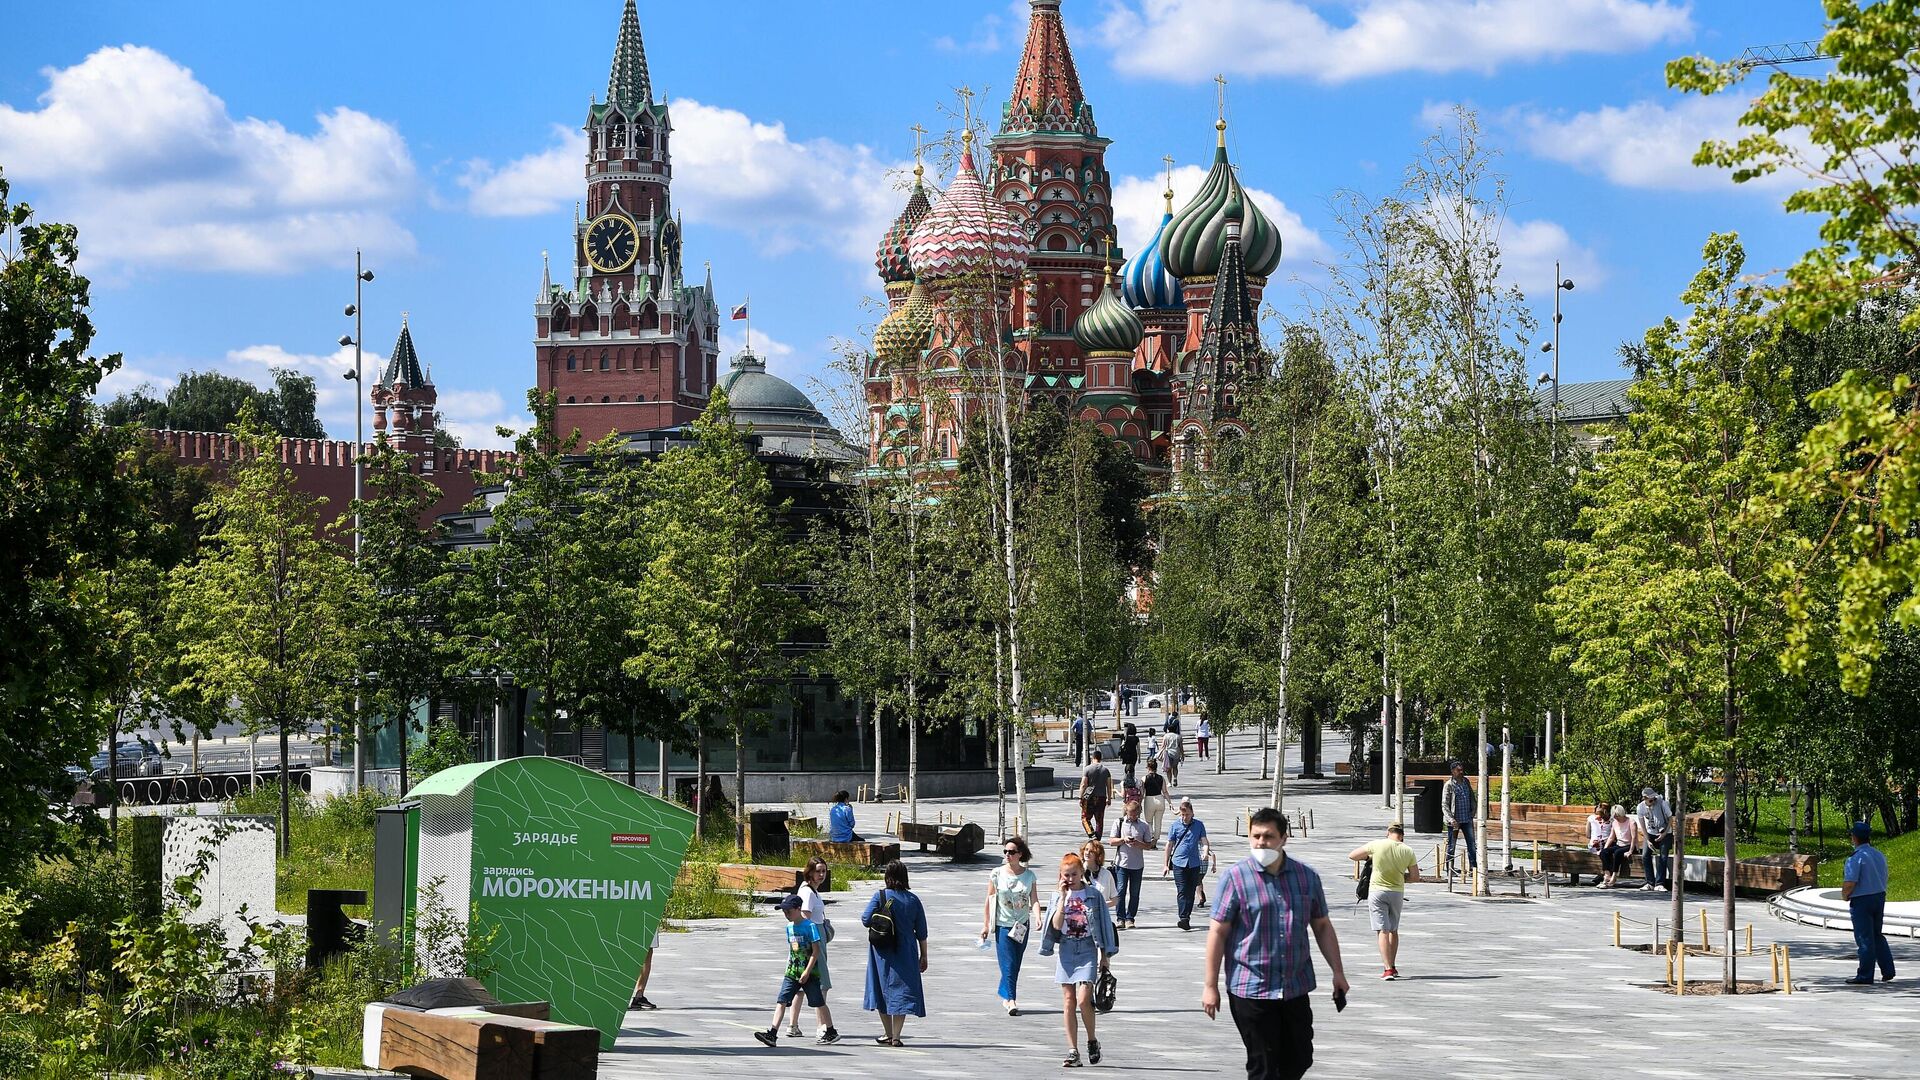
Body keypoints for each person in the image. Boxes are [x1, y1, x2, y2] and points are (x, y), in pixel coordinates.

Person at [1203, 808, 1348, 1080]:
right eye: (1255, 836)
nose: (1261, 842)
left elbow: (1322, 926)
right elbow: (1217, 933)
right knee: (1264, 1067)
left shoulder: (1306, 877)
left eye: (1268, 836)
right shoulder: (1235, 878)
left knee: (1300, 1058)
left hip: (1295, 986)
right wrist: (1210, 986)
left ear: (1283, 838)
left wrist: (1338, 972)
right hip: (1251, 988)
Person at [1039, 853, 1119, 1068]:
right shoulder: (1057, 897)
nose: (1070, 878)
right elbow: (1056, 925)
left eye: (1074, 874)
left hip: (1087, 949)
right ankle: (1073, 1050)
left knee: (1084, 999)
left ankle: (1092, 1040)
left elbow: (1103, 925)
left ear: (1081, 872)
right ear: (1061, 876)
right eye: (1066, 875)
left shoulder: (1093, 895)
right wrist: (1063, 900)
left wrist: (1106, 957)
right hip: (1066, 948)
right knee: (1068, 1001)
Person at [753, 894, 839, 1047]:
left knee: (818, 1002)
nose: (786, 914)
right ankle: (772, 1033)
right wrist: (791, 967)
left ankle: (831, 1031)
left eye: (788, 911)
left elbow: (815, 951)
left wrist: (807, 971)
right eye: (784, 912)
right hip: (792, 972)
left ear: (799, 909)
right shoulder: (789, 927)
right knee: (782, 1000)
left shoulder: (810, 926)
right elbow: (794, 949)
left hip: (809, 973)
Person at [862, 859, 929, 1046]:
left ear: (887, 877)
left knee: (881, 988)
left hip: (882, 951)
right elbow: (922, 932)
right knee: (902, 990)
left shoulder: (880, 896)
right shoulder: (913, 900)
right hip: (906, 951)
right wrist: (924, 956)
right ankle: (897, 1036)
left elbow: (865, 919)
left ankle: (887, 1032)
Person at [1347, 823, 1421, 980]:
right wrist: (1401, 877)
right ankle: (1393, 966)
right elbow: (1415, 877)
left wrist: (1369, 857)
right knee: (1393, 930)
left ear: (1388, 833)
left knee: (1382, 930)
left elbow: (1352, 855)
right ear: (1402, 835)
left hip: (1377, 891)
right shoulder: (1407, 850)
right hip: (1397, 893)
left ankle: (1387, 969)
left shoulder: (1377, 844)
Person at [980, 835, 1038, 1015]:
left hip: (1021, 926)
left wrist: (1038, 917)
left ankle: (1005, 994)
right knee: (1008, 963)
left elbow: (1034, 900)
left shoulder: (1029, 875)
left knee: (1015, 964)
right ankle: (1011, 1000)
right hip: (1003, 925)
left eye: (1011, 852)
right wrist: (985, 925)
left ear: (1020, 854)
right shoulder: (997, 873)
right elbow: (989, 900)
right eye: (1005, 851)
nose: (1007, 855)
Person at [1842, 821, 1897, 985]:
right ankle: (1888, 970)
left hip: (1862, 901)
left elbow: (1850, 882)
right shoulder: (1878, 854)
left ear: (1854, 837)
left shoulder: (1855, 858)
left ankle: (1865, 975)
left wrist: (1845, 895)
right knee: (1877, 935)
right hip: (1879, 897)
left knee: (1864, 938)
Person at [787, 857, 835, 1039]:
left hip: (812, 939)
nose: (821, 875)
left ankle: (793, 1025)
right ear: (810, 872)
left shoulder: (810, 890)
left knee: (802, 983)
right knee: (820, 983)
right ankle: (821, 1026)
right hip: (813, 941)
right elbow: (805, 918)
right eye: (818, 871)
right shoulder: (807, 892)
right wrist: (812, 945)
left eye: (824, 871)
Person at [1162, 796, 1213, 931]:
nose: (1185, 817)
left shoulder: (1199, 825)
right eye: (1183, 815)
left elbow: (1204, 841)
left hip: (1194, 863)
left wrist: (1205, 852)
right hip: (1179, 862)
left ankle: (1187, 916)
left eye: (1187, 815)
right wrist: (1166, 864)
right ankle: (1183, 917)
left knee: (1191, 891)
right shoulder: (1175, 826)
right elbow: (1169, 845)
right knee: (1182, 890)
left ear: (1192, 814)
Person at [1109, 799, 1153, 929]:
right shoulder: (1119, 822)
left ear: (1139, 813)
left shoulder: (1144, 825)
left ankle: (1130, 918)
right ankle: (1120, 918)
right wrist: (1123, 840)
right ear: (1126, 811)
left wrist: (1139, 844)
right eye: (1130, 814)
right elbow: (1111, 841)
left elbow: (1149, 845)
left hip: (1137, 864)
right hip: (1122, 863)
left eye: (1135, 814)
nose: (1133, 816)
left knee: (1134, 893)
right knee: (1121, 891)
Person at [1441, 761, 1477, 876]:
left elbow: (1471, 797)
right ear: (1453, 771)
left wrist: (1473, 810)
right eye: (1458, 770)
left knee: (1471, 844)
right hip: (1455, 821)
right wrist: (1451, 819)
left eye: (1462, 770)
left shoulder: (1466, 781)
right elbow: (1445, 805)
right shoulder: (1449, 785)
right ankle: (1450, 868)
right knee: (1452, 845)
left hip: (1467, 819)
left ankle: (1473, 868)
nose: (1461, 772)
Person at [1634, 787, 1673, 891]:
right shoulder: (1640, 808)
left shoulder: (1662, 803)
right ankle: (1649, 882)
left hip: (1665, 832)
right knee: (1645, 855)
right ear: (1644, 799)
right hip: (1651, 832)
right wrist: (1647, 840)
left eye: (1654, 798)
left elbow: (1670, 819)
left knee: (1663, 857)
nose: (1653, 801)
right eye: (1651, 800)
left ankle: (1660, 883)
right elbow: (1642, 825)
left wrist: (1664, 834)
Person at [1599, 805, 1639, 889]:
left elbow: (1634, 838)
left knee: (1617, 853)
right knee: (1604, 852)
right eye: (1614, 816)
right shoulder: (1614, 822)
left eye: (1617, 815)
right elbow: (1611, 837)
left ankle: (1614, 875)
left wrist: (1630, 851)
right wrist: (1605, 848)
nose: (1616, 817)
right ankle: (1607, 874)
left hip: (1629, 845)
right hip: (1619, 844)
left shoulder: (1631, 822)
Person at [1079, 750, 1113, 840]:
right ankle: (1098, 838)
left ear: (1092, 758)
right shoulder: (1106, 770)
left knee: (1085, 818)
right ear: (1100, 758)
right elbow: (1109, 786)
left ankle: (1091, 835)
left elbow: (1083, 784)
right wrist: (1109, 798)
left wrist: (1081, 797)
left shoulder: (1087, 769)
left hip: (1088, 797)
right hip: (1102, 797)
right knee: (1099, 820)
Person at [1081, 839, 1118, 914]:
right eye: (1086, 849)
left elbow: (1115, 900)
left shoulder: (1107, 874)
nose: (1087, 853)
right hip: (1082, 916)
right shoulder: (1077, 872)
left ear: (1098, 855)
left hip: (1101, 915)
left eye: (1091, 851)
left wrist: (1101, 905)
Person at [1142, 758, 1169, 841]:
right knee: (1158, 822)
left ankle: (1150, 839)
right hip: (1160, 799)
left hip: (1149, 799)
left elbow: (1142, 792)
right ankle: (1156, 839)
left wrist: (1139, 803)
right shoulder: (1161, 778)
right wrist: (1170, 802)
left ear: (1148, 768)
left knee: (1149, 822)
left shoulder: (1144, 778)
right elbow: (1165, 791)